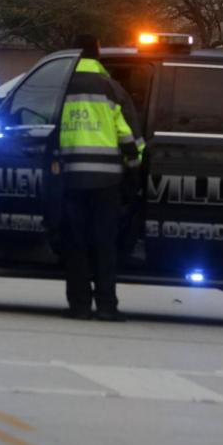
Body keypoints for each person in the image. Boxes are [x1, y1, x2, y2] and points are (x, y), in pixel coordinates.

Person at [57, 34, 144, 321]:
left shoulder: (62, 86)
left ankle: (79, 306)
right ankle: (106, 306)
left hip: (71, 180)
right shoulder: (111, 88)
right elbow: (127, 134)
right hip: (107, 182)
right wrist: (135, 166)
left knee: (76, 245)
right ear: (97, 53)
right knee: (105, 245)